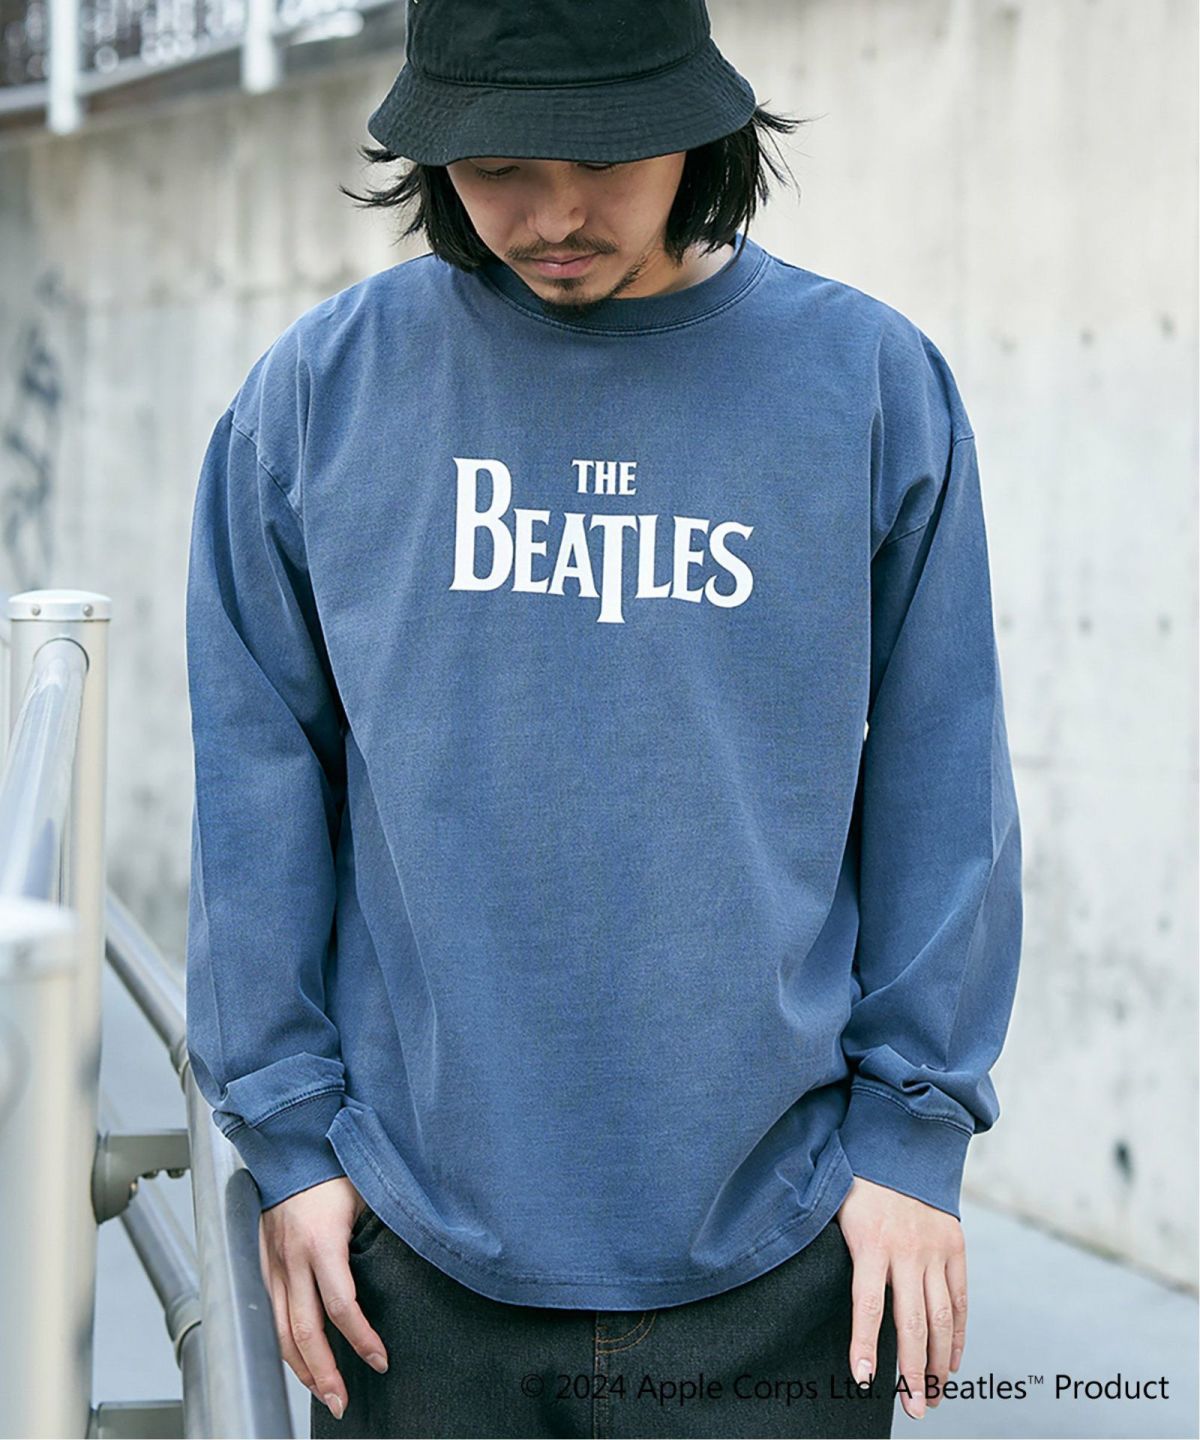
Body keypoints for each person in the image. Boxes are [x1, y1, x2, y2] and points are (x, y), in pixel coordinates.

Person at [182, 0, 1024, 1435]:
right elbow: (254, 784)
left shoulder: (870, 385)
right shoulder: (320, 399)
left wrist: (911, 1139)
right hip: (411, 1252)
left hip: (787, 1245)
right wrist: (292, 1144)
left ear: (701, 130)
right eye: (499, 164)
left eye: (608, 157)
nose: (555, 214)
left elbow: (947, 786)